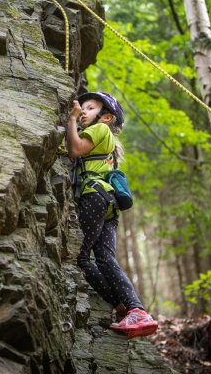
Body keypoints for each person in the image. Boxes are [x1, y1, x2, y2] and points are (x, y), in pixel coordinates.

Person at [66, 91, 158, 339]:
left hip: (94, 197)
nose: (84, 110)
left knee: (83, 258)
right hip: (108, 203)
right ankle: (131, 308)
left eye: (91, 108)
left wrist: (71, 119)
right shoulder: (109, 148)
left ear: (106, 118)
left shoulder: (99, 131)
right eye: (82, 107)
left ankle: (125, 306)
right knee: (105, 258)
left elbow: (75, 149)